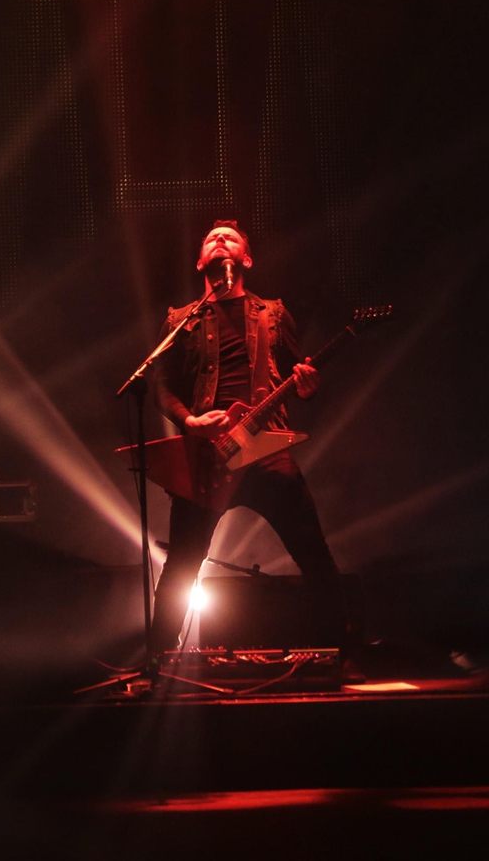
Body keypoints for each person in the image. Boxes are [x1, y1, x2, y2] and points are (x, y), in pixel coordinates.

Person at [148, 222, 352, 660]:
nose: (220, 240)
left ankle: (341, 652)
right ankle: (157, 663)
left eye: (231, 238)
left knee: (313, 555)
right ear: (201, 260)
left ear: (247, 258)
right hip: (208, 457)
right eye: (210, 238)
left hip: (266, 452)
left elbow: (301, 377)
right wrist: (191, 421)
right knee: (182, 564)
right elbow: (161, 388)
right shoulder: (180, 320)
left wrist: (308, 384)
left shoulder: (274, 313)